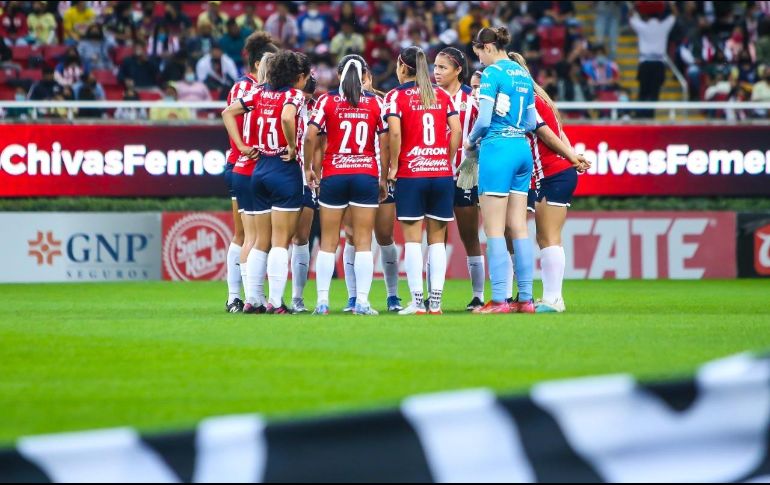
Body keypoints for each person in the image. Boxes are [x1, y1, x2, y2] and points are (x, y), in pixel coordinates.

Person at [222, 51, 311, 314]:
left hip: (257, 168)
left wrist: (240, 145)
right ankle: (275, 301)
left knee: (260, 239)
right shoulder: (293, 95)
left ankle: (252, 299)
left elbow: (228, 112)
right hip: (282, 168)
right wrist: (293, 147)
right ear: (296, 76)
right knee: (280, 240)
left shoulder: (258, 93)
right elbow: (286, 117)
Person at [303, 55, 388, 315]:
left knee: (328, 242)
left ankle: (322, 302)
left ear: (339, 75)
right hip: (365, 174)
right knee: (363, 241)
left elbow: (309, 135)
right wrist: (384, 177)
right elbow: (385, 141)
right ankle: (362, 302)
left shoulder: (327, 101)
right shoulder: (376, 102)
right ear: (364, 76)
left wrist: (308, 168)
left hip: (334, 175)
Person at [509, 52, 590, 313]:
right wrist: (573, 157)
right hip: (555, 172)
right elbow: (560, 132)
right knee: (546, 237)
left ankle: (555, 299)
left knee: (548, 237)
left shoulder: (528, 100)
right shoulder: (541, 97)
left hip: (553, 172)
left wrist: (571, 157)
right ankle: (551, 297)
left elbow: (546, 134)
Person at [385, 46, 462, 315]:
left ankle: (418, 303)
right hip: (441, 173)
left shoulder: (395, 97)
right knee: (437, 240)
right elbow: (457, 130)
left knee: (413, 241)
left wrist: (394, 165)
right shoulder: (442, 95)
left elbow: (394, 133)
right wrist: (446, 159)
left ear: (402, 67)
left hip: (411, 173)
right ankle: (436, 303)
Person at [466, 27, 538, 314]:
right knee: (519, 227)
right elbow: (532, 122)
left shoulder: (492, 74)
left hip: (497, 149)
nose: (480, 61)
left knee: (494, 228)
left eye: (479, 54)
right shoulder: (524, 75)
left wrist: (470, 143)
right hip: (522, 149)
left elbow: (483, 120)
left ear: (487, 46)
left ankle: (498, 300)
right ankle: (527, 299)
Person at [223, 33, 279, 314]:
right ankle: (238, 296)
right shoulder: (246, 88)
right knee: (244, 235)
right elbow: (230, 116)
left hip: (256, 166)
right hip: (243, 164)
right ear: (260, 63)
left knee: (255, 236)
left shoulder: (262, 90)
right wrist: (243, 148)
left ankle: (250, 294)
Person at [432, 47, 485, 311]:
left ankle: (478, 295)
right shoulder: (427, 97)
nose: (436, 72)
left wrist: (474, 159)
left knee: (469, 236)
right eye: (435, 67)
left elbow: (484, 134)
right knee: (435, 238)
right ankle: (434, 296)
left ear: (458, 70)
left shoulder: (473, 99)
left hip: (464, 176)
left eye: (442, 67)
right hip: (434, 173)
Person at [290, 74, 321, 314]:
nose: (305, 99)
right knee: (272, 239)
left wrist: (315, 172)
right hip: (282, 174)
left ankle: (297, 298)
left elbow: (320, 144)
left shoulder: (316, 107)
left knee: (301, 238)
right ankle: (261, 296)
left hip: (305, 177)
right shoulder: (285, 102)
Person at [629, 4, 676, 117]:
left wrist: (637, 5)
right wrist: (670, 4)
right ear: (659, 15)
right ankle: (650, 116)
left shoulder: (642, 26)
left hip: (645, 62)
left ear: (645, 16)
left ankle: (640, 116)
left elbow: (630, 16)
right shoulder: (663, 26)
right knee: (655, 93)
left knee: (643, 92)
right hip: (658, 63)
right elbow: (674, 15)